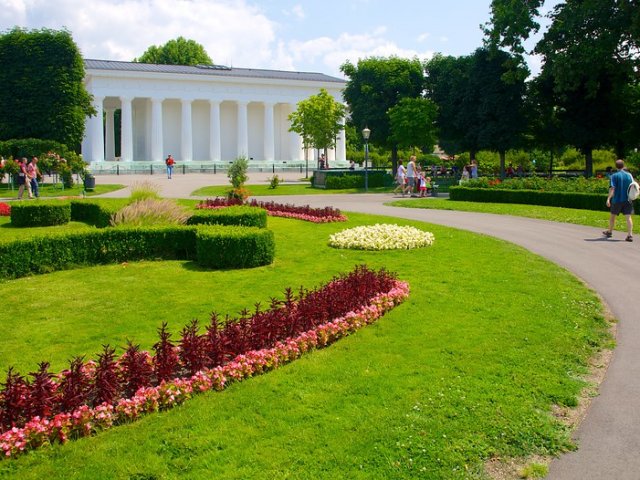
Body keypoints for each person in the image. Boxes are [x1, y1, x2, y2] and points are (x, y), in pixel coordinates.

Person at [603, 159, 634, 242]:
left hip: (617, 200)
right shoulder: (629, 175)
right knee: (628, 217)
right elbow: (633, 186)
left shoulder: (614, 176)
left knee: (613, 216)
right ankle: (630, 235)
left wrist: (608, 199)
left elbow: (612, 188)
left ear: (616, 166)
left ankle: (609, 231)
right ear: (623, 165)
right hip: (628, 200)